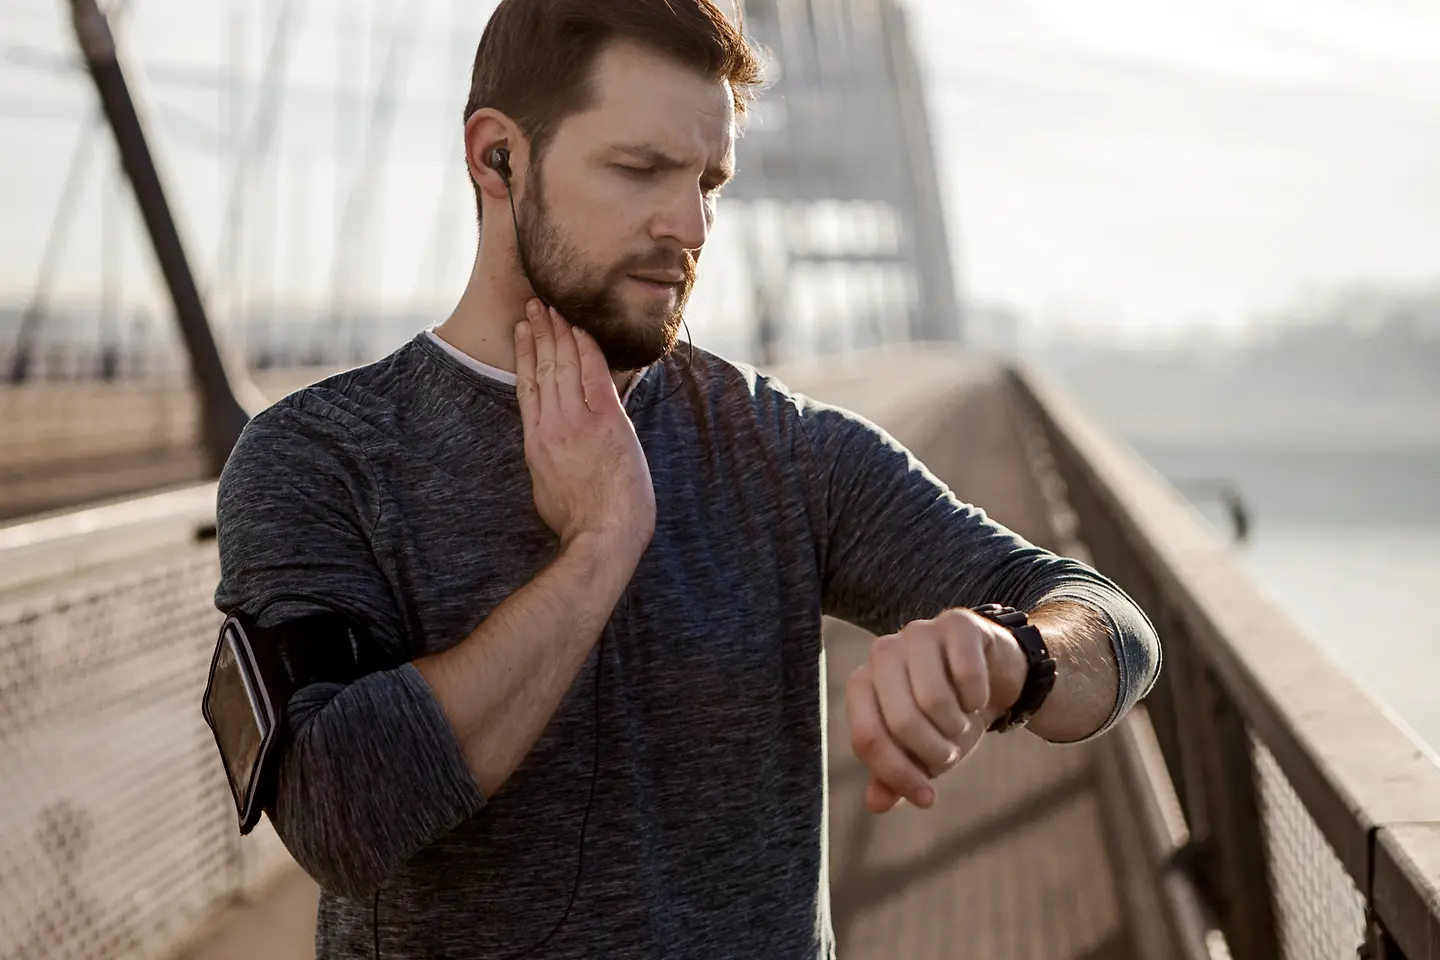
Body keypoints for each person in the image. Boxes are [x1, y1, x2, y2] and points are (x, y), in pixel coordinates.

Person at [213, 1, 1161, 957]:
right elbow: (340, 814)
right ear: (497, 157)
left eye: (711, 179)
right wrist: (598, 547)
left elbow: (1115, 630)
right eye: (641, 170)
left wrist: (1013, 656)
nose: (693, 223)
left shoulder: (779, 449)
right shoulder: (320, 458)